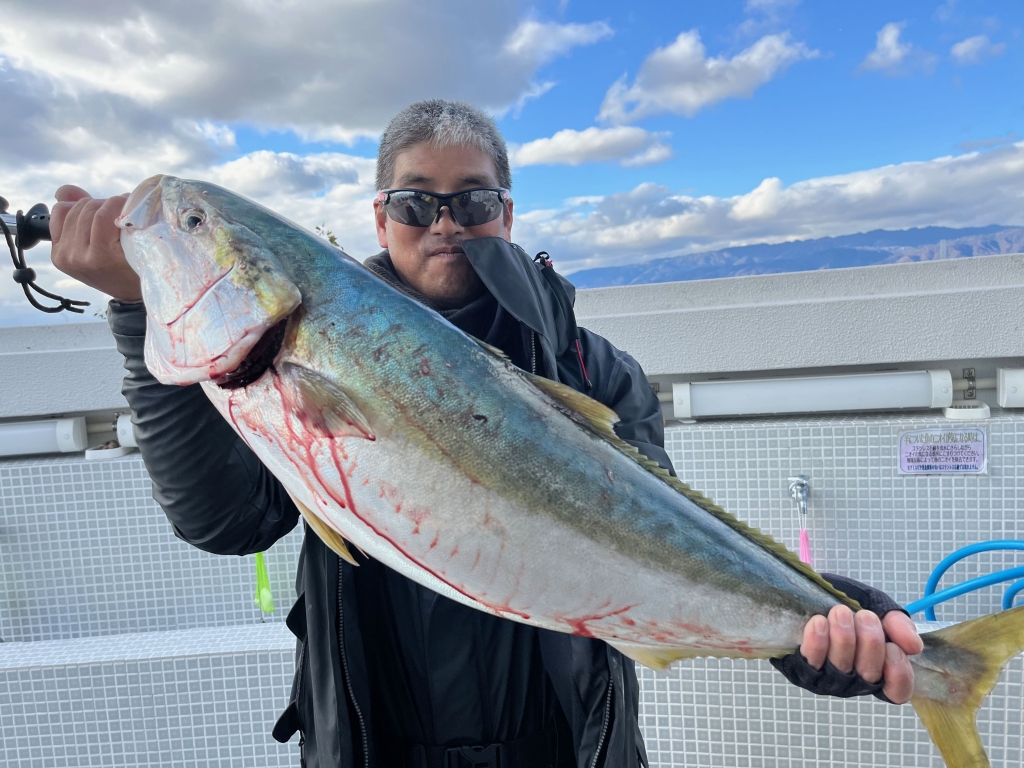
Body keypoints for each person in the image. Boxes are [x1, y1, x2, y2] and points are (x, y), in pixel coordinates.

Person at [50, 99, 923, 768]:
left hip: (571, 746)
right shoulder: (286, 357)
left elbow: (659, 547)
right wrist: (136, 307)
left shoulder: (593, 370)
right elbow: (225, 524)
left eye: (473, 200)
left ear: (507, 211)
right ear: (378, 216)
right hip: (369, 737)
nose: (445, 225)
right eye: (413, 204)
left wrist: (813, 625)